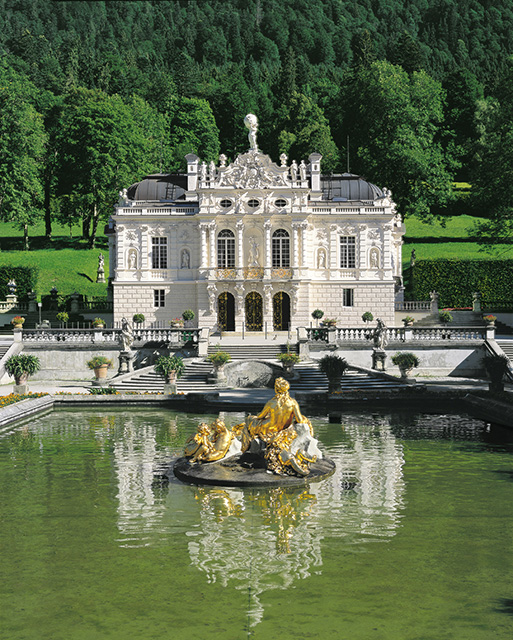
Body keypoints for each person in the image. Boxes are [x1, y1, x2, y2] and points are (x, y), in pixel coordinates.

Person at [239, 377, 312, 452]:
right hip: (284, 428)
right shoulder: (293, 403)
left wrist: (256, 416)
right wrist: (305, 419)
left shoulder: (272, 402)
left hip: (268, 428)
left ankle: (245, 448)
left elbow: (261, 416)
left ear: (277, 389)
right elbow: (299, 420)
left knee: (249, 420)